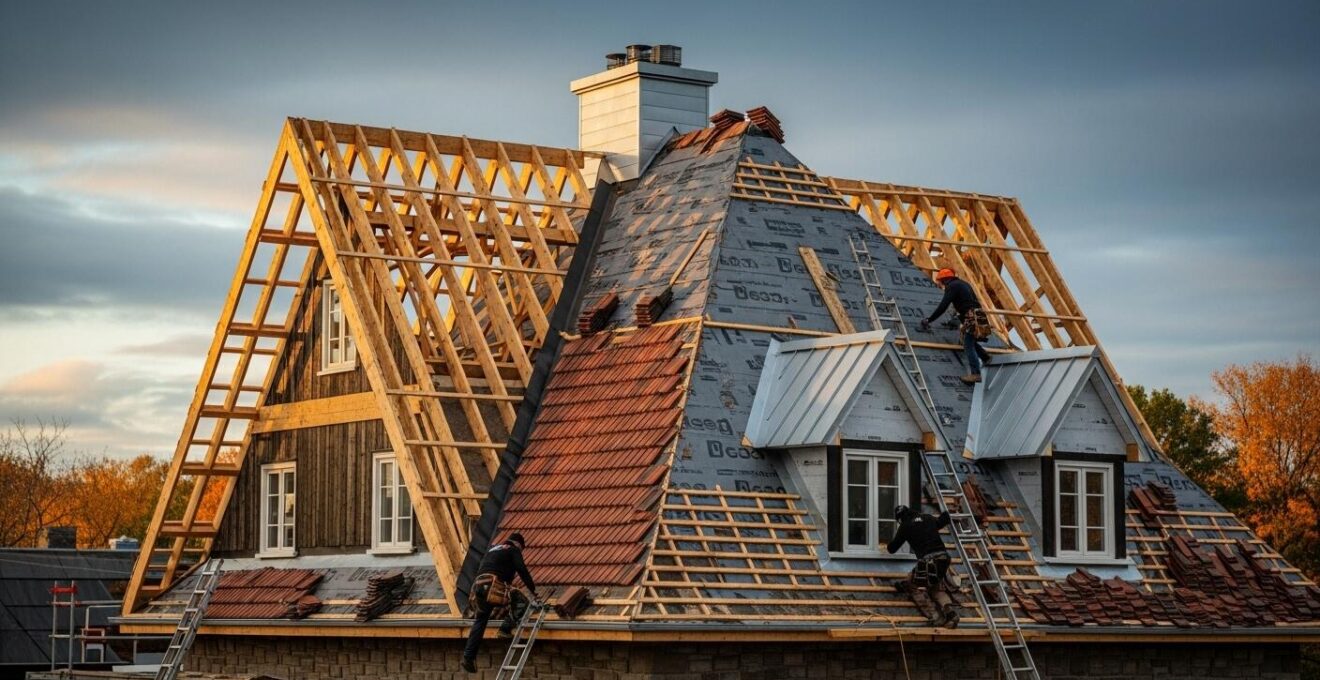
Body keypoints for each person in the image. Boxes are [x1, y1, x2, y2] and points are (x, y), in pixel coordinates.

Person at [461, 533, 538, 672]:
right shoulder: (513, 550)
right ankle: (505, 629)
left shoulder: (493, 549)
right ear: (519, 545)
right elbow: (521, 569)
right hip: (493, 585)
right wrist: (533, 590)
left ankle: (468, 657)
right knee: (521, 601)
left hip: (478, 586)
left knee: (480, 621)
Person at [887, 505, 960, 628]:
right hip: (943, 558)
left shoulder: (905, 525)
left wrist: (887, 546)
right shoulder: (927, 517)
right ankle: (951, 615)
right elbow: (941, 522)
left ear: (900, 518)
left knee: (910, 584)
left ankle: (934, 616)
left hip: (928, 561)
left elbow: (892, 548)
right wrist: (946, 513)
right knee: (936, 589)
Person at [918, 268, 991, 384]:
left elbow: (944, 305)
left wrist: (929, 319)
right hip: (978, 315)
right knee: (969, 339)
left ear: (945, 280)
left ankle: (976, 374)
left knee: (967, 344)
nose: (941, 284)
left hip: (971, 317)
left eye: (941, 281)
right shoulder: (963, 284)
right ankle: (986, 358)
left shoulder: (952, 286)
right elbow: (969, 302)